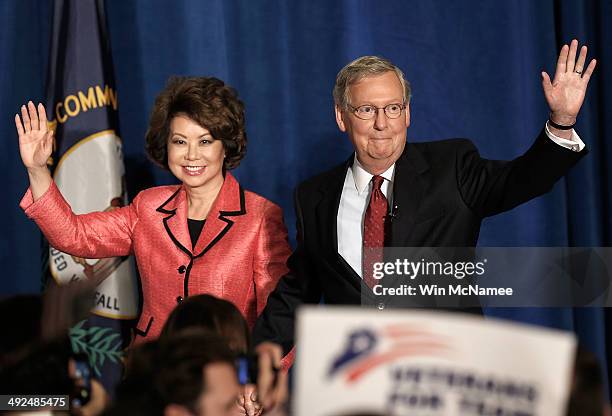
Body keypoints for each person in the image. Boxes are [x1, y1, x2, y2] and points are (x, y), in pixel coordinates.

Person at [253, 40, 597, 356]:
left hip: (446, 376)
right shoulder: (314, 195)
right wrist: (253, 365)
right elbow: (299, 291)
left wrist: (562, 121)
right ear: (342, 117)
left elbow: (523, 180)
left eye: (392, 108)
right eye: (366, 110)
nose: (382, 124)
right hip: (361, 382)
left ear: (407, 114)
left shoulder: (453, 167)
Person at [17, 76, 291, 344]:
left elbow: (279, 314)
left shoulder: (260, 216)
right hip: (152, 370)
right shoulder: (148, 207)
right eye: (180, 141)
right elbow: (74, 236)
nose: (192, 154)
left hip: (228, 376)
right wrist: (37, 169)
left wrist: (259, 374)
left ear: (226, 147)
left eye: (205, 141)